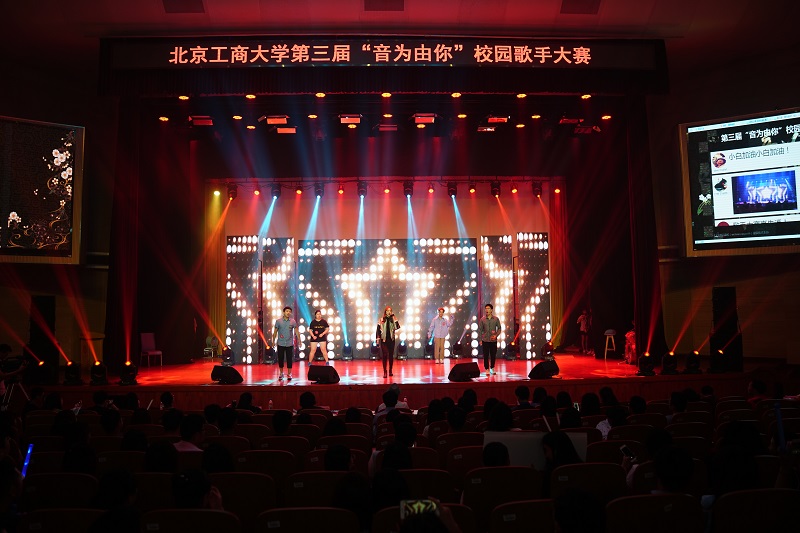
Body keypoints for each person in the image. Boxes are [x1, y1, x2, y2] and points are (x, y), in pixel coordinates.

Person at [273, 306, 299, 380]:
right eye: (287, 311)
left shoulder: (293, 321)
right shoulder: (278, 321)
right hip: (280, 343)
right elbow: (275, 332)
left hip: (289, 343)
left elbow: (296, 331)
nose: (288, 313)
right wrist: (273, 341)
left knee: (289, 359)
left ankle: (289, 373)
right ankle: (281, 373)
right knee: (280, 358)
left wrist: (299, 340)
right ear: (284, 312)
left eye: (289, 311)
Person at [376, 305, 401, 379]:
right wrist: (377, 340)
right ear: (385, 312)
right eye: (387, 311)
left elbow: (397, 327)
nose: (389, 312)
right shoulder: (381, 320)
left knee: (390, 355)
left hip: (391, 340)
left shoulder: (392, 319)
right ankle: (385, 371)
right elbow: (378, 331)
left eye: (390, 311)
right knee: (384, 355)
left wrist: (394, 318)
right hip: (384, 340)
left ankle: (390, 370)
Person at [478, 304, 501, 376]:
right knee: (486, 355)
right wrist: (480, 339)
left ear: (491, 310)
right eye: (486, 308)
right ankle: (487, 369)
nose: (486, 310)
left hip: (493, 340)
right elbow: (480, 330)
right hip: (485, 340)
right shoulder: (482, 319)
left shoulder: (496, 319)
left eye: (488, 308)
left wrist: (496, 335)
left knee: (493, 355)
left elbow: (499, 328)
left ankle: (492, 367)